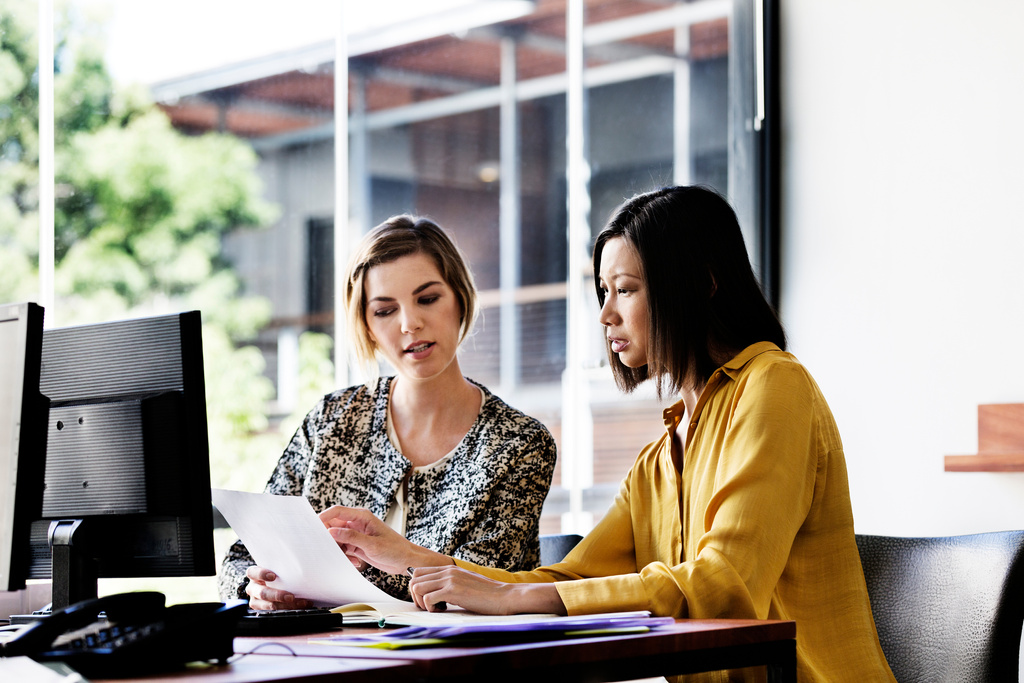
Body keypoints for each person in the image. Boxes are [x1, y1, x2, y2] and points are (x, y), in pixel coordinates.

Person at [320, 187, 896, 682]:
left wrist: (516, 597)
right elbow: (565, 579)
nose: (604, 315)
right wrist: (403, 557)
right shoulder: (660, 456)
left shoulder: (774, 384)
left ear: (702, 284)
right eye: (603, 292)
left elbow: (726, 584)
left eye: (625, 289)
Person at [218, 215, 558, 608]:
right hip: (324, 655)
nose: (410, 324)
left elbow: (479, 588)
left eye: (428, 299)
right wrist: (258, 589)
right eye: (384, 310)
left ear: (460, 299)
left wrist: (396, 557)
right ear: (366, 325)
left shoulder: (519, 443)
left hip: (456, 663)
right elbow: (242, 558)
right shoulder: (332, 419)